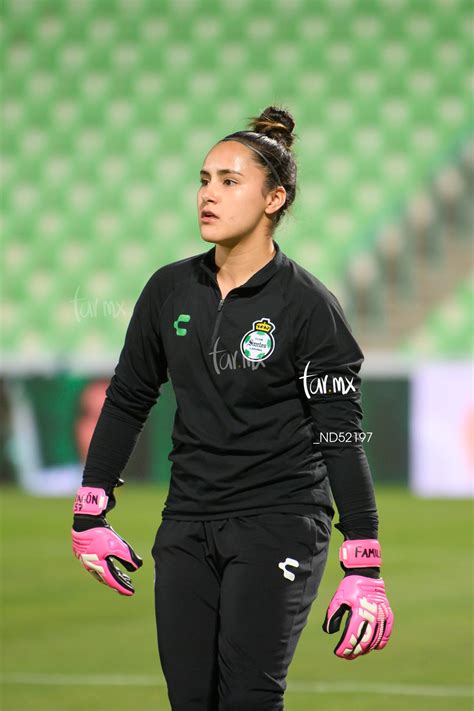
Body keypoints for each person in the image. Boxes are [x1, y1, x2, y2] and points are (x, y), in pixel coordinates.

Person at [72, 106, 394, 710]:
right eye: (203, 179)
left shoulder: (309, 306)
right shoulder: (168, 289)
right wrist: (90, 508)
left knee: (248, 697)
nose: (208, 195)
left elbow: (340, 435)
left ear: (274, 199)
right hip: (188, 520)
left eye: (229, 181)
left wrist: (364, 559)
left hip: (280, 520)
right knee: (191, 699)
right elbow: (128, 398)